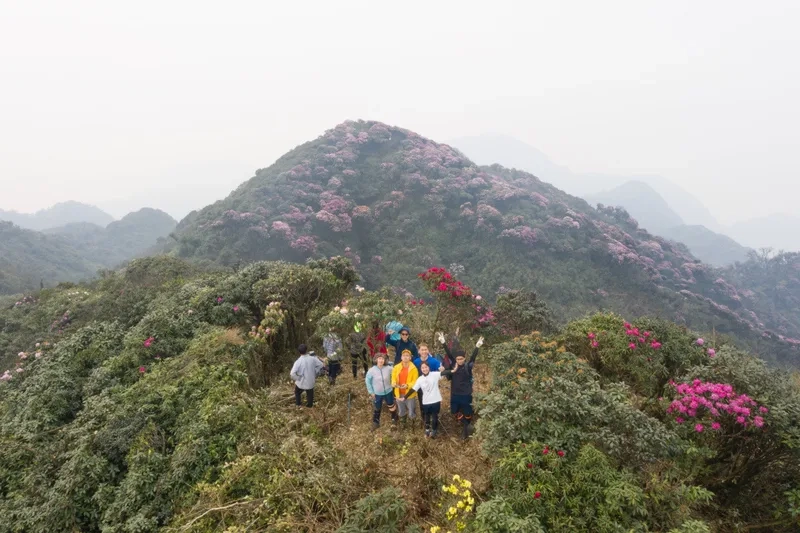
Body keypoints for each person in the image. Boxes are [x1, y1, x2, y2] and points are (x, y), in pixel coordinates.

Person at [439, 333, 484, 439]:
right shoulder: (454, 365)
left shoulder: (468, 366)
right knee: (454, 411)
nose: (459, 361)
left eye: (461, 359)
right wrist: (444, 343)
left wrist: (477, 347)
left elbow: (473, 359)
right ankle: (467, 425)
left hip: (466, 394)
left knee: (468, 412)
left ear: (464, 358)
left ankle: (466, 429)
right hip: (455, 394)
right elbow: (449, 355)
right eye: (458, 359)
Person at [401, 360, 443, 438]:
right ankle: (427, 429)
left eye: (426, 367)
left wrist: (444, 369)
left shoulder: (435, 374)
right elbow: (414, 389)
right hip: (426, 401)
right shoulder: (420, 379)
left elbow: (444, 373)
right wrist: (405, 397)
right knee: (426, 416)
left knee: (434, 417)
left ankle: (434, 430)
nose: (424, 369)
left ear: (429, 367)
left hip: (435, 400)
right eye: (422, 368)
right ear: (421, 369)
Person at [365, 353, 398, 430]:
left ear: (384, 360)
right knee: (377, 407)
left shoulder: (389, 368)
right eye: (379, 359)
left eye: (382, 359)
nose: (381, 360)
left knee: (391, 405)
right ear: (376, 360)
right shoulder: (371, 370)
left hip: (388, 391)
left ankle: (394, 419)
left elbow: (396, 372)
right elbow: (367, 381)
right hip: (377, 393)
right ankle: (376, 422)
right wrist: (371, 392)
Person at [290, 344, 324, 408]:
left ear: (299, 352)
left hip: (301, 382)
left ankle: (298, 404)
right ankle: (310, 406)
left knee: (297, 392)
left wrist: (298, 378)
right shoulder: (313, 359)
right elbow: (321, 365)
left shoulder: (298, 362)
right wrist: (315, 372)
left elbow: (292, 374)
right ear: (306, 350)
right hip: (310, 381)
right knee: (310, 393)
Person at [392, 349, 420, 428]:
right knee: (401, 409)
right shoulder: (396, 367)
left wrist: (407, 385)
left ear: (410, 358)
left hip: (409, 394)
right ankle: (403, 423)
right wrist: (394, 383)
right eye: (404, 355)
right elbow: (393, 378)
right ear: (401, 357)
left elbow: (415, 381)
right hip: (398, 392)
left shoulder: (413, 368)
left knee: (411, 410)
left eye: (407, 356)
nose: (405, 357)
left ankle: (412, 424)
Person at [413, 343, 441, 414]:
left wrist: (442, 368)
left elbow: (440, 368)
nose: (424, 352)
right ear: (419, 351)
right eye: (422, 350)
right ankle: (425, 420)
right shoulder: (416, 362)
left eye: (425, 350)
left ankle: (434, 418)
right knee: (422, 405)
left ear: (428, 351)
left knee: (434, 405)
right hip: (421, 388)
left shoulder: (434, 361)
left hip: (432, 388)